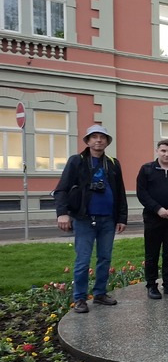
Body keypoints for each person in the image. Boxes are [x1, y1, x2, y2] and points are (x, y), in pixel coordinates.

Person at [53, 124, 128, 313]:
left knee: (105, 258)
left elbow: (120, 192)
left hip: (107, 220)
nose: (98, 140)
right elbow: (61, 189)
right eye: (94, 137)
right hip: (84, 219)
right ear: (87, 141)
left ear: (107, 142)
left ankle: (100, 293)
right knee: (83, 260)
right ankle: (79, 298)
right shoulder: (76, 161)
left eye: (102, 137)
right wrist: (62, 213)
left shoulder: (112, 162)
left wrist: (122, 218)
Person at [136, 139, 168, 299]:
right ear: (157, 151)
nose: (166, 154)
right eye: (163, 151)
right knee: (152, 254)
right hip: (153, 218)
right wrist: (157, 209)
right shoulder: (147, 170)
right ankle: (151, 285)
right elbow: (142, 193)